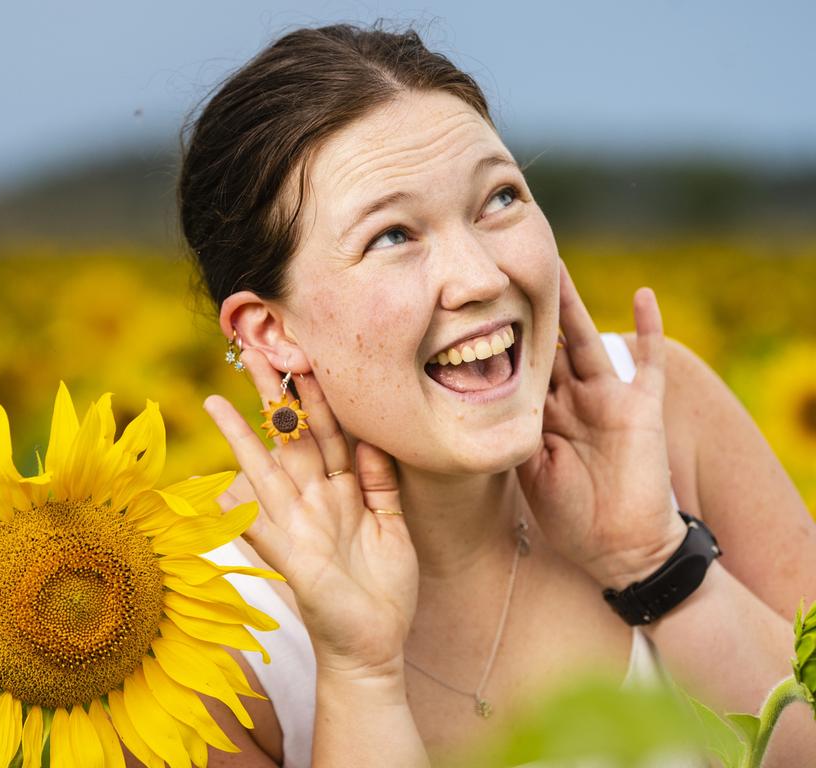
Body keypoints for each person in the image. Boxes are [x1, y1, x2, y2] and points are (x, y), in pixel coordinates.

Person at [163, 23, 816, 768]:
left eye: (499, 198)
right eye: (392, 236)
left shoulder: (663, 412)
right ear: (271, 331)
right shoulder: (200, 627)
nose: (481, 276)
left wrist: (659, 562)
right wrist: (360, 676)